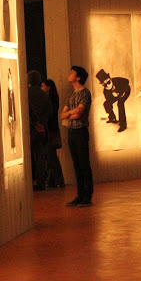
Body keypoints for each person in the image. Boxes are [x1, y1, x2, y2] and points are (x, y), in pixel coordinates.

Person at [61, 66, 93, 207]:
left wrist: (70, 113)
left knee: (84, 164)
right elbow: (62, 115)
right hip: (71, 132)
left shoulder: (85, 93)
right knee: (76, 164)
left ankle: (87, 196)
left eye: (72, 72)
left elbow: (78, 114)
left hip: (80, 131)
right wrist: (71, 113)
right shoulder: (71, 94)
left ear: (78, 77)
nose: (69, 74)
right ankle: (80, 195)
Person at [28, 70, 51, 190]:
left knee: (30, 156)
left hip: (30, 127)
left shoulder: (26, 93)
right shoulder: (44, 94)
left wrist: (34, 121)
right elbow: (49, 111)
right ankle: (42, 181)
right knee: (39, 155)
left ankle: (30, 181)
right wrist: (42, 122)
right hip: (41, 128)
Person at [41, 78, 65, 188]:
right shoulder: (54, 98)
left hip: (50, 130)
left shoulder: (49, 99)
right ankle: (52, 180)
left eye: (43, 86)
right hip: (53, 129)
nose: (41, 88)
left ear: (48, 87)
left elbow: (49, 115)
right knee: (50, 155)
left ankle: (58, 180)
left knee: (50, 155)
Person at [7, 67, 16, 155]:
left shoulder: (12, 93)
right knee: (11, 132)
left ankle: (13, 146)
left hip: (13, 114)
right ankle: (12, 146)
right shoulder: (9, 93)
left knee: (13, 132)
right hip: (11, 115)